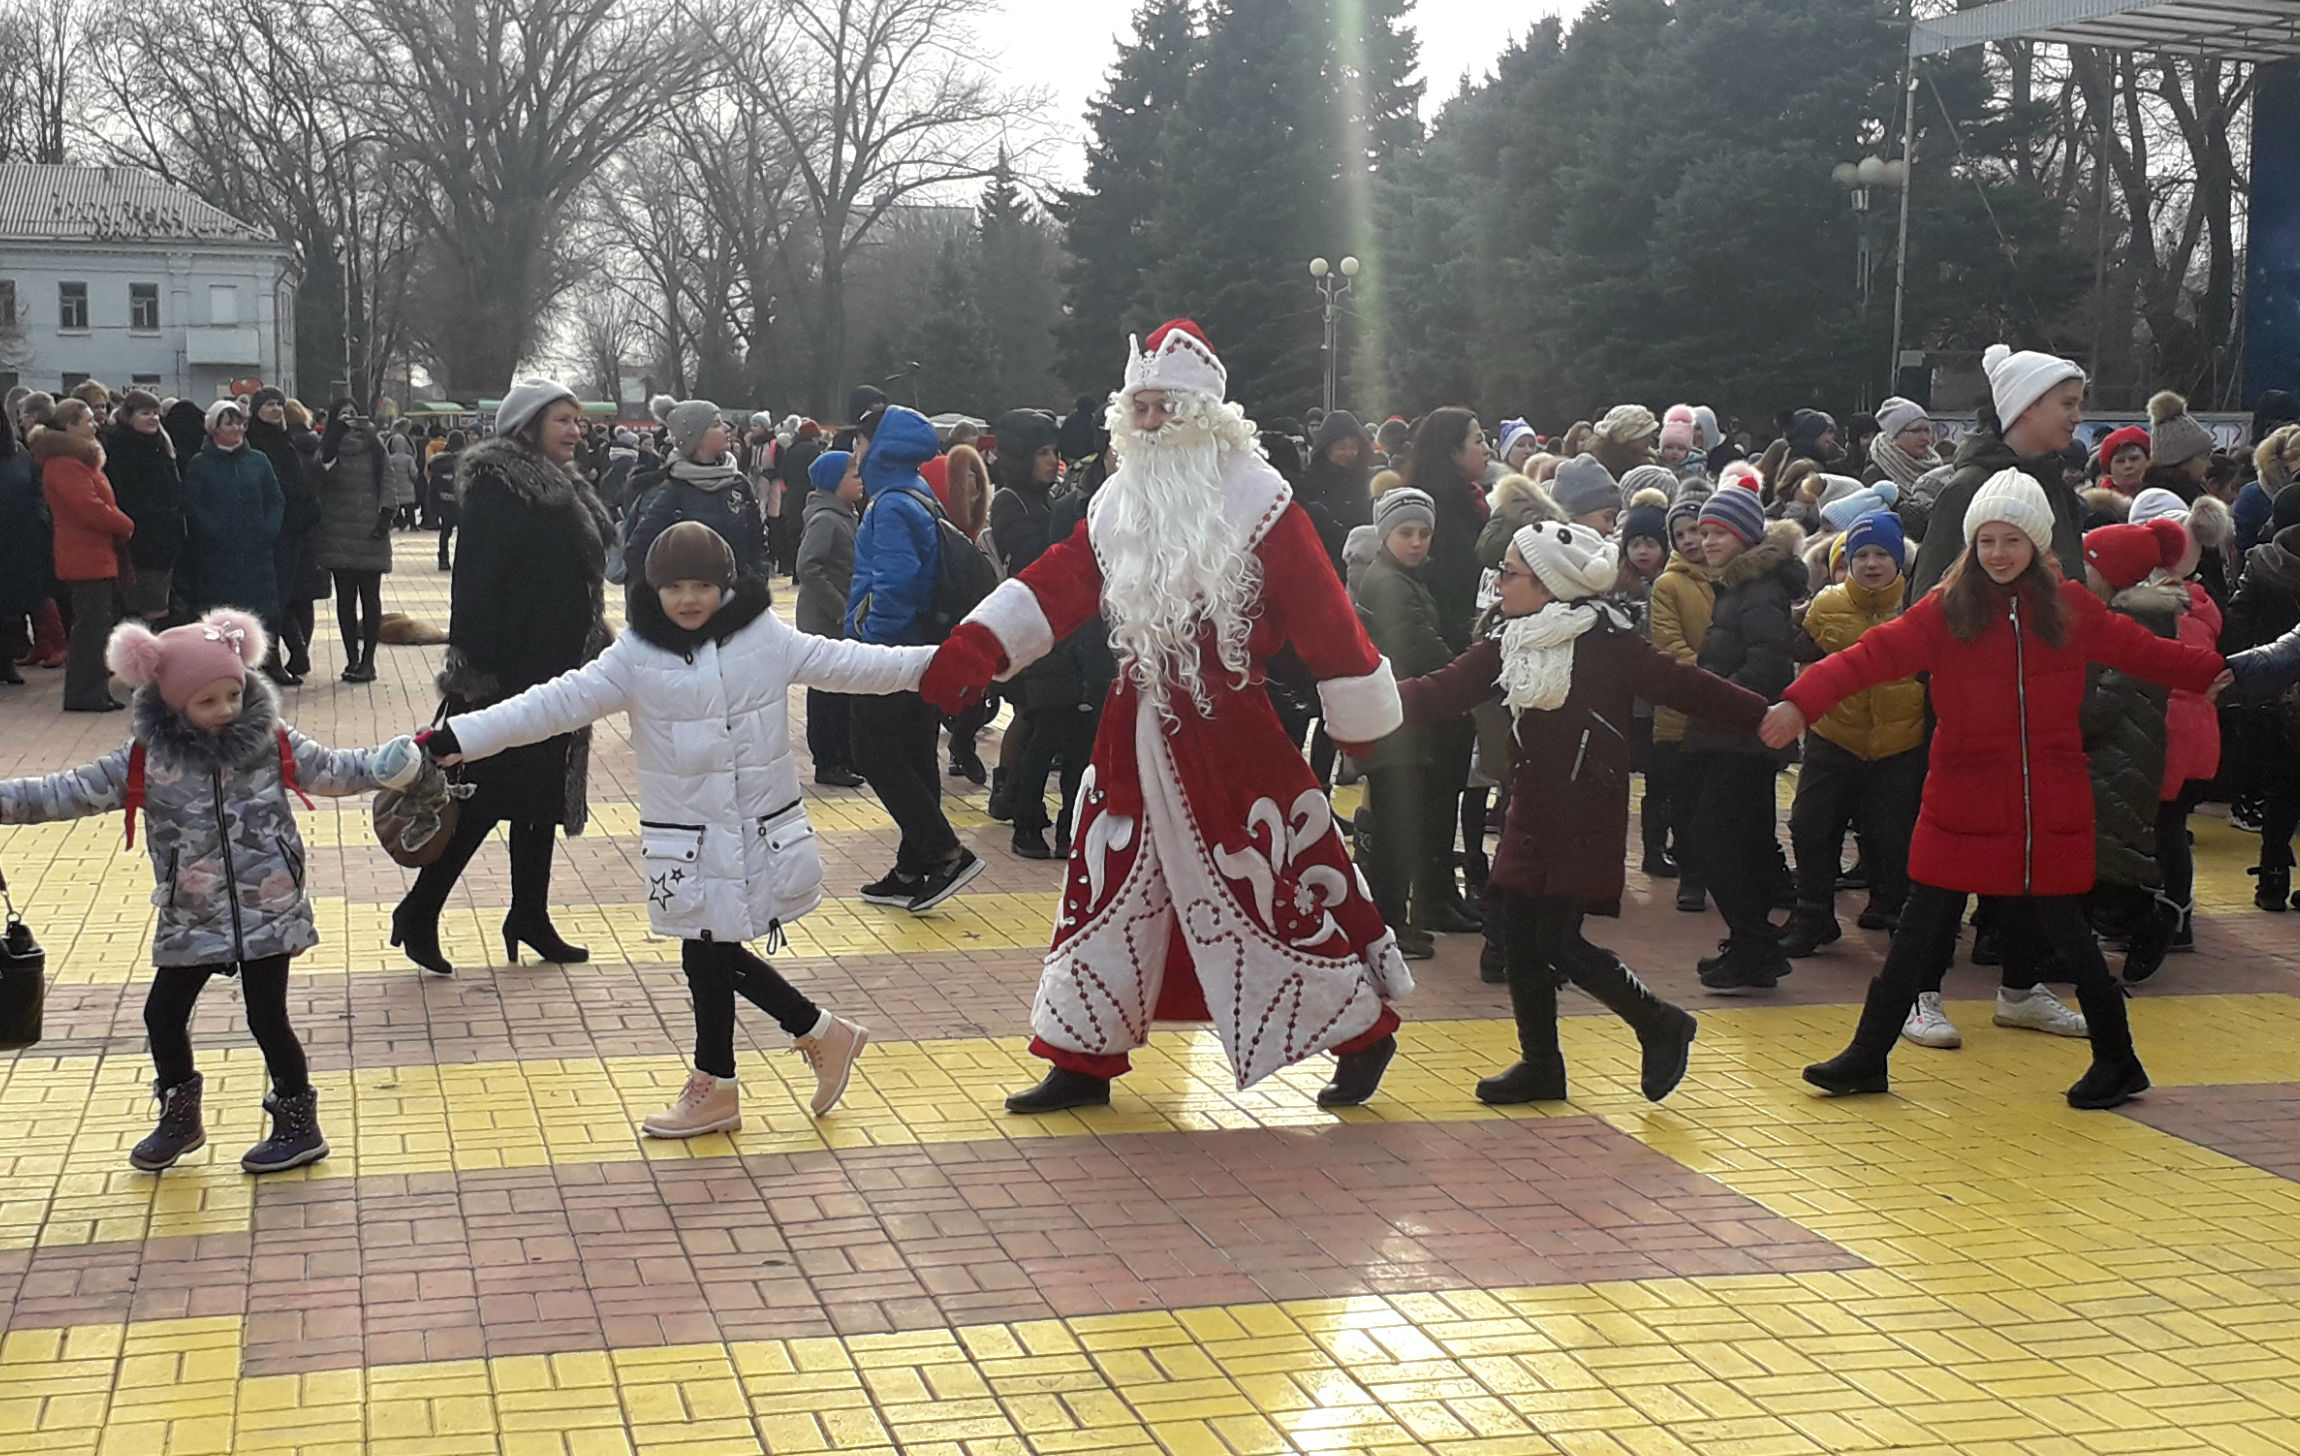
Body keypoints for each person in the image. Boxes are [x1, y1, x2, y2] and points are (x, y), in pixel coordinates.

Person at [921, 319, 1411, 1114]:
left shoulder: (1262, 502)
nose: (1147, 425)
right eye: (1138, 409)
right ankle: (1080, 1058)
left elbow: (1326, 615)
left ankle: (1361, 1030)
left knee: (1275, 884)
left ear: (1206, 418)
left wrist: (1358, 713)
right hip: (1131, 728)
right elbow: (1063, 580)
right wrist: (978, 643)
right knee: (1106, 884)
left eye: (1163, 409)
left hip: (1233, 737)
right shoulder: (1119, 502)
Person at [425, 523, 931, 1133]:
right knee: (708, 955)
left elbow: (851, 663)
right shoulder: (635, 656)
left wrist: (944, 664)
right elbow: (551, 704)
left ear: (726, 586)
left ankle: (741, 1073)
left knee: (707, 958)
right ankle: (809, 1037)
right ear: (652, 589)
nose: (688, 599)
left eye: (702, 586)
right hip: (687, 844)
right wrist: (462, 737)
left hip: (752, 835)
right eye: (673, 587)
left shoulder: (764, 640)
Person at [1770, 469, 2229, 1110]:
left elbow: (2139, 649)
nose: (1998, 553)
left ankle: (2119, 1060)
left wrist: (2213, 671)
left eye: (2011, 540)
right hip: (1960, 800)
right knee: (1918, 932)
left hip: (2047, 805)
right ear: (1971, 545)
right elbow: (1869, 656)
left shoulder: (2069, 607)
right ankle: (1868, 1056)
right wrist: (1800, 702)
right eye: (1986, 540)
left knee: (2067, 935)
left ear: (2039, 546)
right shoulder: (1945, 608)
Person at [0, 610, 422, 1171]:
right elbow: (66, 790)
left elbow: (334, 768)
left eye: (234, 693)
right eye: (208, 701)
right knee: (162, 1015)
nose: (226, 709)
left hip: (268, 904)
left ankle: (299, 1123)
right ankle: (180, 1117)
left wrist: (389, 765)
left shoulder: (270, 741)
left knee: (266, 1015)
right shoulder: (146, 760)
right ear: (174, 705)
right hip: (191, 912)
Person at [1387, 521, 1767, 1102]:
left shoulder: (1609, 643)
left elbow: (1686, 686)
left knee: (1557, 941)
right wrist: (1364, 700)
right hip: (1531, 804)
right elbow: (1441, 691)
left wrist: (1765, 714)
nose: (1499, 582)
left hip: (1585, 807)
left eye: (1510, 572)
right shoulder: (1506, 639)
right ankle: (1542, 1064)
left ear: (1548, 585)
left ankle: (1661, 1023)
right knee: (1518, 936)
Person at [391, 379, 612, 978]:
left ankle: (530, 915)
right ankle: (419, 911)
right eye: (564, 420)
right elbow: (475, 584)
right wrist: (471, 669)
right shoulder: (500, 487)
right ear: (528, 423)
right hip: (507, 672)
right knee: (485, 796)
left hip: (557, 668)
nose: (576, 430)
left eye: (578, 420)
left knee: (538, 798)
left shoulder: (560, 485)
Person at [844, 404, 984, 913]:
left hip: (889, 653)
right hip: (922, 649)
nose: (855, 453)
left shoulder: (890, 506)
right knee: (914, 751)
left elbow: (895, 585)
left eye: (860, 442)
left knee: (874, 752)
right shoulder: (919, 495)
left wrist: (869, 642)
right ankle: (911, 866)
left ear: (878, 446)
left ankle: (946, 853)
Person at [1780, 509, 1926, 970]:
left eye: (1882, 553)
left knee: (1893, 833)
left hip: (1901, 740)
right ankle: (1814, 914)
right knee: (1810, 824)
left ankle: (1895, 907)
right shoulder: (1826, 605)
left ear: (1899, 559)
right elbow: (1802, 652)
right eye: (1860, 554)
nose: (1871, 563)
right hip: (1834, 735)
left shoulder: (1920, 606)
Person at [1679, 488, 1805, 992]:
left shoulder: (1756, 590)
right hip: (1735, 736)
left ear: (1745, 537)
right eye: (1702, 533)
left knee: (1716, 840)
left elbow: (1768, 665)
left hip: (1742, 737)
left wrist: (1715, 695)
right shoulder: (1741, 585)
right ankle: (1753, 945)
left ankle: (1754, 943)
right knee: (1741, 841)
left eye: (1717, 533)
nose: (1706, 542)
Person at [1349, 487, 1457, 960]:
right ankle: (1387, 927)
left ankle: (1389, 922)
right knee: (1397, 829)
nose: (1417, 542)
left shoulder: (1399, 577)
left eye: (1424, 533)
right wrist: (1470, 675)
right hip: (1397, 723)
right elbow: (1419, 647)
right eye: (1405, 533)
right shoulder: (1392, 584)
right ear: (1385, 534)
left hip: (1396, 719)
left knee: (1393, 826)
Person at [33, 399, 134, 713]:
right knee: (91, 628)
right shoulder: (65, 463)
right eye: (88, 420)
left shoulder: (78, 460)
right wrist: (124, 523)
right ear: (68, 426)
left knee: (97, 626)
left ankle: (94, 690)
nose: (95, 424)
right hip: (84, 555)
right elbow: (88, 507)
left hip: (94, 553)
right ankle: (84, 693)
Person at [622, 397, 768, 585]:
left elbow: (758, 544)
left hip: (736, 604)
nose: (726, 428)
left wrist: (756, 585)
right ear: (695, 438)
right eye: (715, 424)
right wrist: (669, 599)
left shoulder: (738, 483)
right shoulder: (672, 489)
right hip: (693, 606)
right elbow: (636, 552)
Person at [797, 449, 867, 788]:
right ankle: (827, 760)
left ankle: (845, 755)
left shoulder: (845, 514)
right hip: (825, 621)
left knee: (843, 689)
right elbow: (808, 566)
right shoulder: (825, 518)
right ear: (834, 482)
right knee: (826, 693)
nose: (860, 480)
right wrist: (839, 608)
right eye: (853, 475)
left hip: (839, 619)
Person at [314, 401, 394, 683]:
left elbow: (388, 479)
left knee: (371, 599)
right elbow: (322, 477)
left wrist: (385, 517)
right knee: (345, 600)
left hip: (371, 532)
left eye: (353, 413)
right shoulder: (328, 447)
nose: (349, 419)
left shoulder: (374, 445)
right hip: (338, 533)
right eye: (342, 414)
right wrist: (333, 439)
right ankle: (352, 658)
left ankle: (368, 661)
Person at [245, 389, 321, 683]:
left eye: (279, 404)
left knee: (290, 595)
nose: (275, 409)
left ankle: (290, 655)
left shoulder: (285, 440)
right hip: (272, 530)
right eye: (268, 405)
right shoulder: (256, 442)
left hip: (294, 529)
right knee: (272, 597)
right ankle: (271, 660)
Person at [102, 390, 184, 627]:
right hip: (138, 539)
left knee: (159, 605)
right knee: (145, 607)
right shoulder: (121, 448)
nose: (153, 419)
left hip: (164, 539)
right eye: (145, 413)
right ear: (130, 416)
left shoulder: (161, 445)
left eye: (156, 413)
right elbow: (126, 495)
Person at [0, 422, 49, 683]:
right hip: (15, 538)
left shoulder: (19, 455)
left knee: (10, 608)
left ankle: (5, 662)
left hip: (16, 540)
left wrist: (38, 519)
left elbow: (36, 491)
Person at [1864, 397, 1941, 491]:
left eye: (1927, 430)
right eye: (1916, 431)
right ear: (1894, 435)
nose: (1925, 438)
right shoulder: (1876, 474)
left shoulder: (1937, 467)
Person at [427, 429, 465, 568]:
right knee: (463, 533)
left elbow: (433, 484)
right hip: (461, 503)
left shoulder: (439, 461)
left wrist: (433, 506)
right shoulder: (467, 460)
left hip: (445, 501)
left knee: (445, 531)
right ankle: (461, 560)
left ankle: (443, 557)